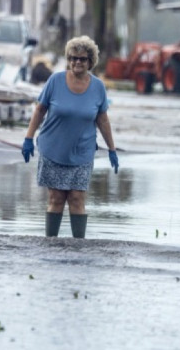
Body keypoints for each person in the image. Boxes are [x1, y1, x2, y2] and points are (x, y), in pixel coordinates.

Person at [21, 35, 118, 239]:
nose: (77, 62)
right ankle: (51, 244)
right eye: (73, 58)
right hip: (53, 148)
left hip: (82, 151)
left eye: (82, 59)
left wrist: (112, 149)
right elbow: (40, 110)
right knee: (56, 198)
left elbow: (103, 120)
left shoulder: (98, 87)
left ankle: (78, 246)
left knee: (76, 198)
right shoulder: (55, 80)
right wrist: (28, 138)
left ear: (90, 61)